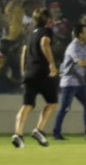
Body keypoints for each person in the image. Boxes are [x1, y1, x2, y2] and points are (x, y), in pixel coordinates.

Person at [13, 8, 59, 148]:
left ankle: (18, 134)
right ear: (48, 19)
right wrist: (52, 64)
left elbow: (24, 52)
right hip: (42, 72)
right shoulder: (46, 32)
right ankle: (39, 129)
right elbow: (44, 43)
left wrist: (23, 71)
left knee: (27, 105)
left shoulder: (30, 34)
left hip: (29, 72)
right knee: (52, 102)